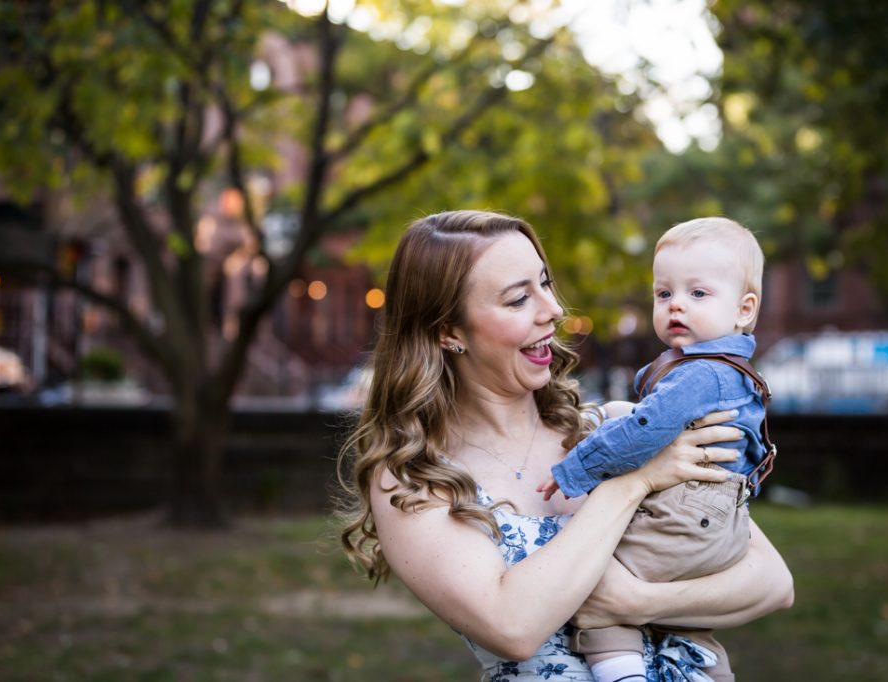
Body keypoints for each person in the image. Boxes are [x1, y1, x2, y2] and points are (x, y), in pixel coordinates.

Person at [340, 210, 794, 682]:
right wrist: (632, 483)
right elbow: (512, 626)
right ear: (449, 332)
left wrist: (639, 603)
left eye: (544, 283)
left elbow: (772, 582)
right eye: (519, 299)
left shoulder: (616, 427)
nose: (553, 310)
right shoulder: (414, 479)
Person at [536, 217, 774, 682]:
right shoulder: (727, 370)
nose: (676, 305)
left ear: (744, 310)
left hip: (685, 512)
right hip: (718, 522)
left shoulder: (701, 373)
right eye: (664, 294)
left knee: (594, 580)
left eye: (698, 294)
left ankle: (622, 673)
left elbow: (649, 427)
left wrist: (577, 467)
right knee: (690, 625)